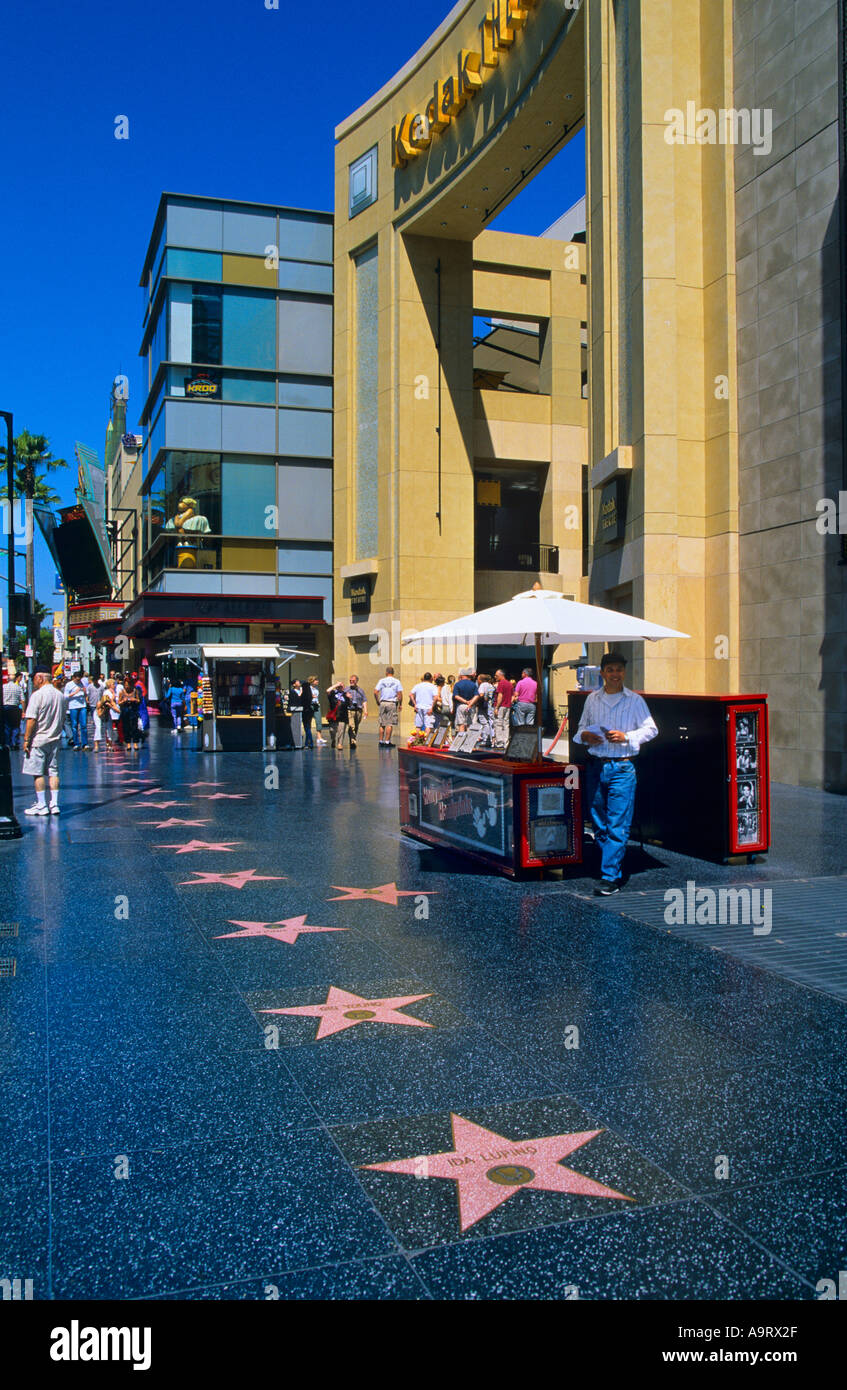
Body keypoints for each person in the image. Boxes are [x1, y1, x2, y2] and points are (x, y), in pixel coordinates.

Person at [572, 651, 658, 895]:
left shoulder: (635, 701)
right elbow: (580, 730)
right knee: (597, 818)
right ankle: (607, 860)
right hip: (597, 766)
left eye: (619, 670)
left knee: (618, 822)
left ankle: (610, 876)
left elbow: (651, 729)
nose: (614, 674)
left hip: (622, 766)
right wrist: (585, 736)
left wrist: (627, 736)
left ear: (624, 672)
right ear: (602, 673)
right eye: (610, 670)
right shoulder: (592, 700)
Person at [21, 669, 65, 816]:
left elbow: (31, 719)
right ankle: (54, 804)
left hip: (39, 739)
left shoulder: (37, 695)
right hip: (55, 738)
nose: (33, 682)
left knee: (37, 773)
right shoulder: (60, 695)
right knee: (53, 771)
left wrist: (26, 739)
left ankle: (42, 805)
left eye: (34, 679)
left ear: (40, 678)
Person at [374, 666, 403, 747]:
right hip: (391, 703)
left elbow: (375, 692)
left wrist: (377, 701)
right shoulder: (397, 681)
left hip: (383, 702)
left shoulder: (382, 681)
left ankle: (380, 741)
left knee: (382, 723)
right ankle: (387, 742)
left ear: (386, 672)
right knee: (389, 723)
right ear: (393, 673)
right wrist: (400, 704)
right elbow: (399, 694)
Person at [63, 673, 88, 750]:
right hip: (73, 706)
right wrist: (74, 693)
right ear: (73, 678)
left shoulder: (82, 683)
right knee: (74, 725)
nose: (78, 680)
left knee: (83, 725)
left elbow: (86, 695)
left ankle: (85, 743)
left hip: (82, 705)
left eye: (79, 679)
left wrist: (85, 692)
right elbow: (65, 696)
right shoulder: (69, 685)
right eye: (77, 679)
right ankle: (76, 743)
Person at [118, 675, 141, 752]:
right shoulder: (122, 692)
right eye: (126, 685)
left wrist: (134, 699)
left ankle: (135, 742)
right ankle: (128, 743)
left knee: (134, 727)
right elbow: (119, 702)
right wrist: (123, 701)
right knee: (126, 727)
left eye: (128, 685)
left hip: (133, 710)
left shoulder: (135, 691)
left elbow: (138, 700)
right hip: (125, 710)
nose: (127, 686)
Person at [2, 672, 25, 749]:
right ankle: (15, 742)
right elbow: (22, 700)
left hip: (5, 708)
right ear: (15, 679)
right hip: (15, 708)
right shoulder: (18, 688)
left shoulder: (3, 687)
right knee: (16, 726)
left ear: (8, 679)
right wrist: (23, 711)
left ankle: (7, 743)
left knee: (7, 726)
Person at [493, 669, 514, 750]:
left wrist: (496, 707)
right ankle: (506, 742)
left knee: (498, 724)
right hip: (507, 706)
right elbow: (513, 696)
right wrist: (509, 703)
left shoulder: (501, 683)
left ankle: (499, 743)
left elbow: (500, 696)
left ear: (501, 675)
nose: (495, 677)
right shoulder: (509, 684)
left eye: (496, 676)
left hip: (501, 706)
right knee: (506, 724)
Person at [289, 678, 314, 749]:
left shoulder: (304, 693)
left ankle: (309, 743)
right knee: (307, 728)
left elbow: (299, 699)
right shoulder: (307, 692)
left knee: (307, 728)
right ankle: (308, 743)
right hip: (307, 711)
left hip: (304, 711)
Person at [345, 675, 367, 748]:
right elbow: (341, 697)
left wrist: (365, 711)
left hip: (358, 710)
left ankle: (353, 738)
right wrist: (346, 696)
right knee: (352, 726)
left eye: (353, 681)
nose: (351, 682)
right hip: (350, 710)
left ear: (356, 681)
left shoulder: (360, 690)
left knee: (356, 726)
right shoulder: (346, 689)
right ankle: (352, 741)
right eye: (350, 680)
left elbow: (364, 700)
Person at [326, 681, 350, 749]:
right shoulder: (333, 693)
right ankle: (333, 739)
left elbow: (349, 704)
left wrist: (349, 698)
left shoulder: (346, 694)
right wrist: (336, 685)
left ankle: (340, 744)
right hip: (334, 715)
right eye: (339, 686)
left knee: (341, 730)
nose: (340, 687)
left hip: (342, 715)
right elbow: (328, 690)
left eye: (341, 686)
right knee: (332, 730)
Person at [476, 672, 496, 744]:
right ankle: (490, 738)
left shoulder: (482, 685)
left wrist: (475, 700)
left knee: (484, 722)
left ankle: (485, 739)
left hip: (483, 705)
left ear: (480, 680)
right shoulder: (490, 685)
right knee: (490, 721)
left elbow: (481, 694)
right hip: (490, 706)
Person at [86, 675, 103, 751]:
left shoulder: (101, 686)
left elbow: (103, 695)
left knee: (99, 723)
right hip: (93, 705)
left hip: (100, 706)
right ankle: (96, 743)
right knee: (96, 722)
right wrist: (87, 701)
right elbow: (87, 695)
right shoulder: (90, 686)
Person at [309, 676, 327, 745]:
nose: (317, 681)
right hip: (310, 705)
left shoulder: (316, 688)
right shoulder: (308, 688)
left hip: (316, 704)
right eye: (316, 680)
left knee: (318, 720)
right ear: (312, 681)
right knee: (309, 721)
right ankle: (309, 737)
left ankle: (319, 738)